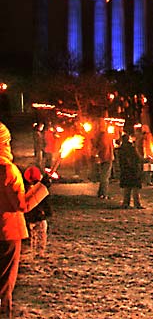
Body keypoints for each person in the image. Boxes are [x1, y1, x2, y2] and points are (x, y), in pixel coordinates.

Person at [0, 124, 29, 317]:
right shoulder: (7, 169)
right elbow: (20, 204)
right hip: (7, 231)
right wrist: (42, 188)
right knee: (4, 283)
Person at [23, 167, 51, 258]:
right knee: (39, 235)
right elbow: (43, 201)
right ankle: (38, 252)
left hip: (33, 216)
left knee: (35, 236)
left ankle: (36, 252)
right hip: (37, 216)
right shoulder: (38, 188)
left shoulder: (25, 187)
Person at [116, 132, 143, 209]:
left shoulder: (120, 149)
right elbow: (138, 158)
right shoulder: (132, 148)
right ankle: (137, 203)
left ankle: (125, 203)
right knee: (135, 187)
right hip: (133, 170)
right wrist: (147, 160)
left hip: (125, 170)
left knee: (127, 187)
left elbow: (120, 161)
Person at [94, 127, 115, 200]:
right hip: (107, 158)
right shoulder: (107, 137)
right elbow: (107, 146)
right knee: (105, 177)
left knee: (104, 176)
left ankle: (101, 193)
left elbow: (100, 147)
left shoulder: (101, 137)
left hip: (103, 158)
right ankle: (104, 194)